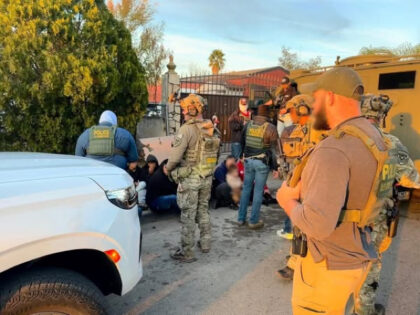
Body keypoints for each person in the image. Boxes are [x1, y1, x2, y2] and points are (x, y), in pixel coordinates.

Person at [277, 67, 392, 314]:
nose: (313, 106)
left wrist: (286, 200)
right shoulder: (372, 136)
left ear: (329, 97)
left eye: (316, 98)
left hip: (327, 265)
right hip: (355, 255)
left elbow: (318, 223)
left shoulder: (334, 149)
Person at [356, 94, 420, 315]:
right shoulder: (391, 142)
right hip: (375, 217)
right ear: (382, 115)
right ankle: (363, 310)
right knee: (371, 262)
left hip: (341, 216)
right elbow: (410, 179)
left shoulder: (340, 138)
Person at [275, 95, 328, 281]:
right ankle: (296, 259)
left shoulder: (319, 130)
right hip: (299, 184)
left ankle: (299, 263)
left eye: (292, 110)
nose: (290, 114)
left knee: (306, 226)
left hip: (314, 186)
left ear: (302, 110)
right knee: (299, 225)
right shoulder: (300, 130)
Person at [164, 94, 220, 262]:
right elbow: (216, 154)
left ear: (192, 109)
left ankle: (187, 252)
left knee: (188, 214)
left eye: (184, 108)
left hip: (190, 178)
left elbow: (175, 157)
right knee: (203, 210)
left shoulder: (186, 129)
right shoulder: (211, 128)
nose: (182, 112)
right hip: (207, 176)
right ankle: (205, 243)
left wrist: (167, 169)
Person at [237, 104, 278, 230]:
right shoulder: (270, 127)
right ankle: (253, 221)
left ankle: (241, 218)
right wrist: (275, 167)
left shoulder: (248, 125)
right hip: (262, 163)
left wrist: (241, 156)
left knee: (246, 190)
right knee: (258, 192)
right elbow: (273, 150)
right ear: (268, 115)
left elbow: (241, 142)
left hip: (248, 161)